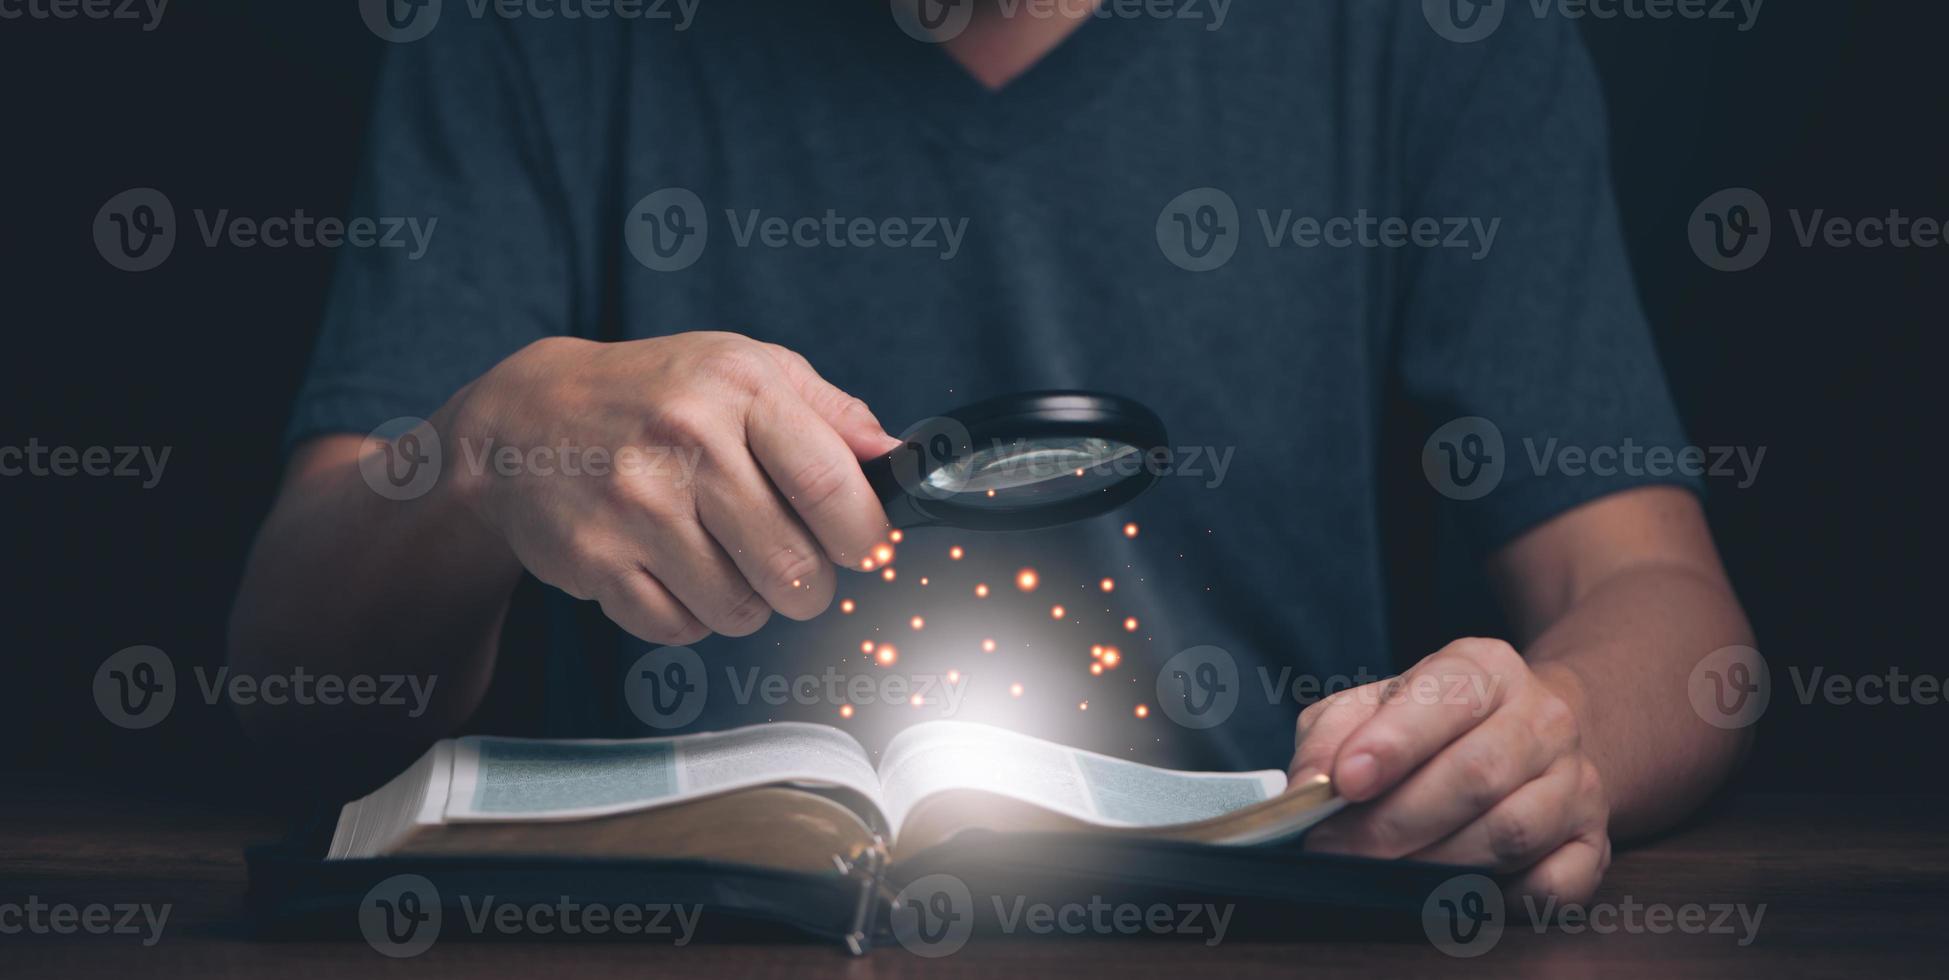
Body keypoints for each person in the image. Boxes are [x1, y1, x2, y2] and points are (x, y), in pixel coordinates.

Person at [230, 1, 1753, 905]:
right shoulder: (533, 34)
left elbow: (1659, 604)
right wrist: (482, 453)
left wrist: (1549, 728)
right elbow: (293, 683)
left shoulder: (1430, 33)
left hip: (1299, 917)